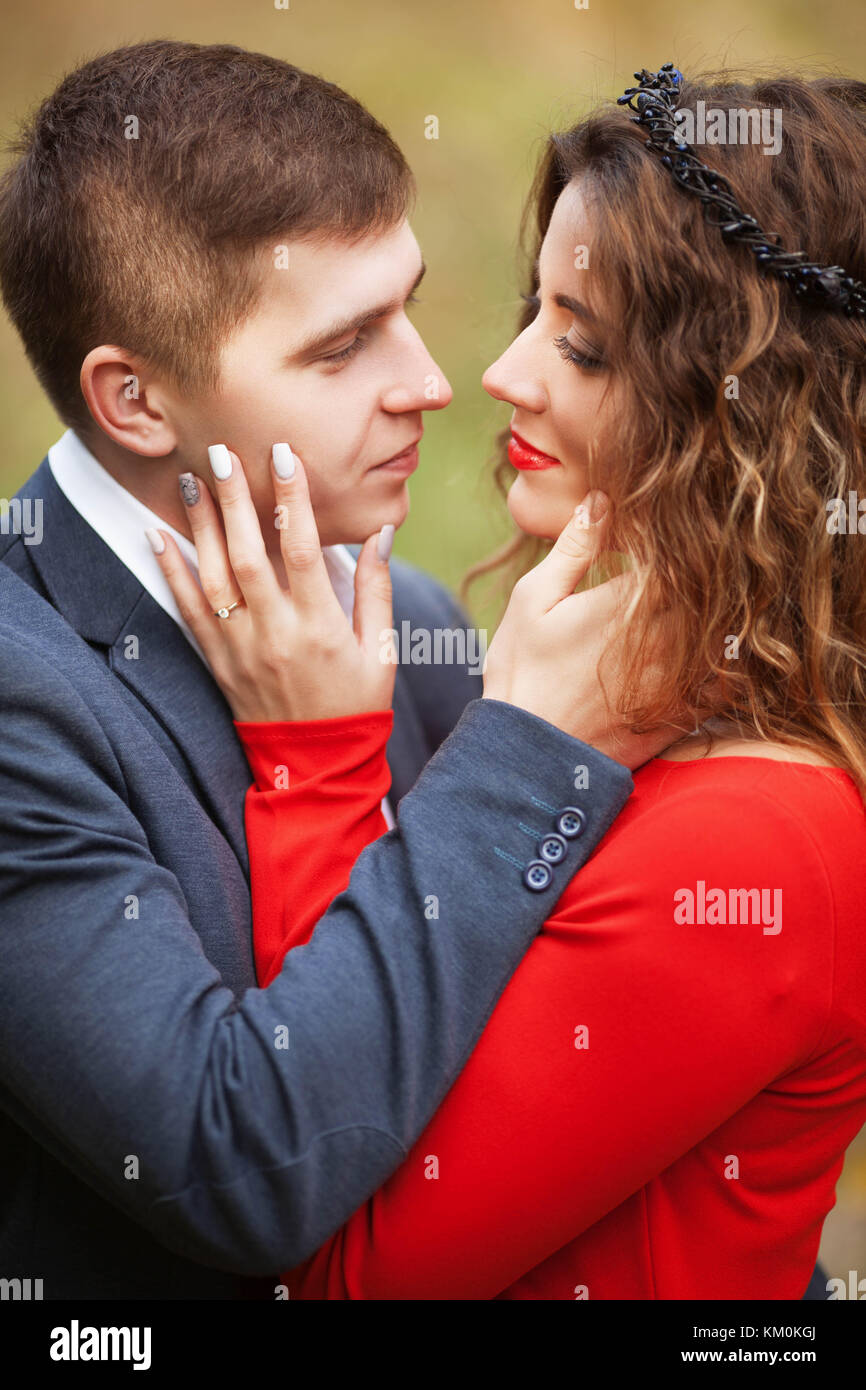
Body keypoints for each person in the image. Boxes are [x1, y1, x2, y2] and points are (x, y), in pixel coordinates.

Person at [156, 65, 866, 1298]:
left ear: (748, 418)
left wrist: (319, 753)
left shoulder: (754, 840)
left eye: (582, 347)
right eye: (534, 310)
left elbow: (330, 1260)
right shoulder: (633, 702)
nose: (504, 374)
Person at [0, 40, 669, 1301]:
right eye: (341, 346)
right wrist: (519, 754)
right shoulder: (18, 689)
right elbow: (229, 1164)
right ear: (135, 402)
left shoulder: (403, 624)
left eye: (406, 306)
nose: (428, 383)